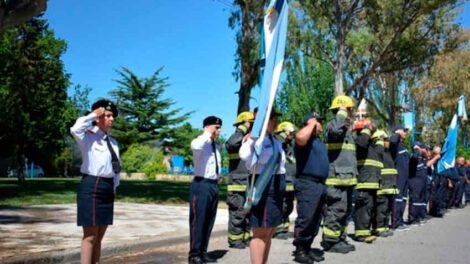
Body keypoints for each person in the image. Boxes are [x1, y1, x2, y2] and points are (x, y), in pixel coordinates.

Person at [70, 99, 121, 264]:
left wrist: (114, 188)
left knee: (99, 236)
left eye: (113, 116)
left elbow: (115, 169)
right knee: (90, 235)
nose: (111, 119)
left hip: (107, 188)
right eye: (107, 115)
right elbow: (75, 128)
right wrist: (92, 115)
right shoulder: (88, 137)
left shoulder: (113, 142)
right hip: (92, 186)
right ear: (98, 118)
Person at [239, 109, 285, 264]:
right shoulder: (255, 139)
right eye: (273, 119)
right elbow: (244, 155)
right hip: (263, 187)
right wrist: (253, 136)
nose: (277, 122)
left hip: (277, 186)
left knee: (270, 231)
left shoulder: (275, 140)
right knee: (260, 233)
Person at [321, 95, 357, 254]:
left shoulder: (345, 130)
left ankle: (340, 238)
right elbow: (335, 130)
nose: (351, 112)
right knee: (336, 211)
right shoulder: (334, 125)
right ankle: (330, 241)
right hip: (336, 179)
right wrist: (341, 113)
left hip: (347, 179)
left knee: (345, 211)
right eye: (349, 109)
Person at [292, 113, 328, 264]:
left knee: (315, 219)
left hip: (320, 184)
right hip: (307, 183)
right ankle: (300, 250)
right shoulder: (304, 138)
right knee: (306, 218)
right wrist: (311, 124)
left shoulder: (318, 141)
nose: (321, 125)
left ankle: (307, 248)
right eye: (319, 122)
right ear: (311, 123)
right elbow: (300, 137)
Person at [188, 116, 223, 264]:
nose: (219, 131)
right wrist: (208, 134)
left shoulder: (215, 146)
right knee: (198, 220)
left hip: (213, 185)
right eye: (216, 127)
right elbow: (195, 146)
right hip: (201, 184)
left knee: (209, 220)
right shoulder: (200, 142)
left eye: (219, 128)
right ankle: (194, 254)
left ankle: (203, 252)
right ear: (208, 127)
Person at [226, 111, 255, 249]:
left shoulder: (251, 140)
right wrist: (243, 129)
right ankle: (235, 239)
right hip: (237, 184)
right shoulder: (235, 139)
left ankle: (245, 236)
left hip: (249, 183)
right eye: (251, 124)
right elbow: (231, 144)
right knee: (237, 212)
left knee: (248, 212)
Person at [353, 123, 382, 243]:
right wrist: (366, 130)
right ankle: (361, 234)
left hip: (372, 182)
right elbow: (362, 143)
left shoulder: (371, 146)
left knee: (369, 208)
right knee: (363, 209)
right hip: (364, 182)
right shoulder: (360, 141)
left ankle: (366, 231)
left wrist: (378, 138)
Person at [273, 121, 297, 240]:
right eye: (290, 132)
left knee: (288, 205)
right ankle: (278, 229)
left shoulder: (290, 145)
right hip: (281, 180)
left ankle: (284, 228)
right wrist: (282, 135)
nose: (292, 135)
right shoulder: (277, 142)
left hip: (291, 181)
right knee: (281, 205)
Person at [373, 130, 398, 237]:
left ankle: (385, 226)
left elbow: (395, 140)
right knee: (381, 208)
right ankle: (379, 228)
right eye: (385, 140)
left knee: (387, 208)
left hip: (390, 186)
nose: (388, 142)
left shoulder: (388, 152)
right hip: (382, 186)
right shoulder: (378, 153)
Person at [389, 125, 410, 231]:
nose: (405, 133)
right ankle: (395, 222)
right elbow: (392, 141)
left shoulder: (403, 145)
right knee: (397, 198)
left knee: (403, 198)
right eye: (403, 131)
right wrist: (397, 133)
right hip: (398, 175)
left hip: (405, 176)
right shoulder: (395, 142)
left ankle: (400, 220)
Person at [408, 142, 428, 225]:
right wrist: (416, 149)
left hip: (421, 182)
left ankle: (419, 216)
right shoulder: (414, 156)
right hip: (415, 182)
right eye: (424, 148)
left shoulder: (422, 158)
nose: (426, 150)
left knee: (420, 200)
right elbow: (414, 157)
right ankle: (413, 218)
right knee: (415, 200)